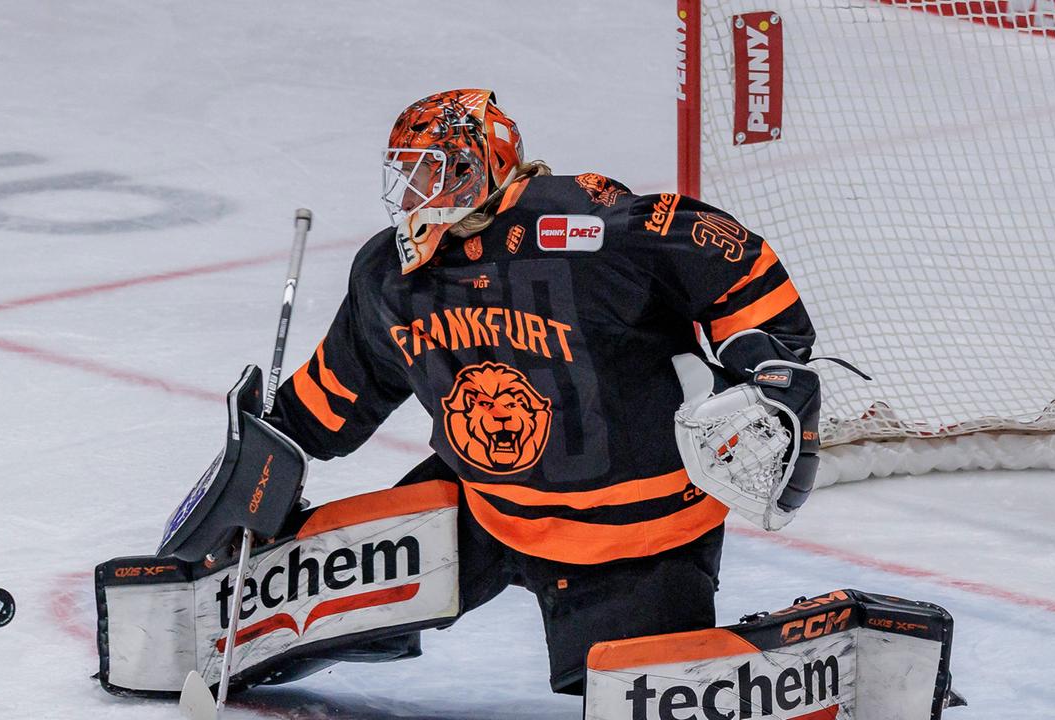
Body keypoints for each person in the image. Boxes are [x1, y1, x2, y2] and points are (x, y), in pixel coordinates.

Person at [264, 88, 819, 696]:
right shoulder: (392, 273)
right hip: (485, 506)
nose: (416, 189)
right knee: (312, 612)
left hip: (633, 533)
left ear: (483, 166)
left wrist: (763, 356)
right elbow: (340, 389)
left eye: (434, 169)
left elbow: (738, 262)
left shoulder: (588, 230)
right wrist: (268, 446)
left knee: (630, 693)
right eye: (409, 171)